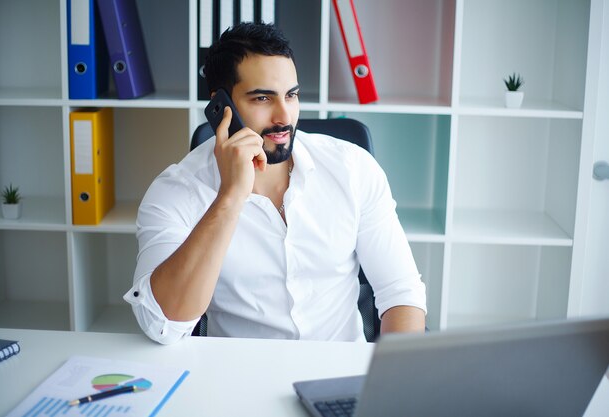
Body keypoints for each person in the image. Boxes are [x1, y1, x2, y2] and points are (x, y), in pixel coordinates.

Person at [124, 22, 426, 344]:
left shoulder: (353, 169)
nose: (284, 116)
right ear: (219, 106)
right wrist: (229, 196)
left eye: (291, 95)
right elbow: (162, 325)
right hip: (240, 380)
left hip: (340, 376)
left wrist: (388, 384)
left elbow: (401, 293)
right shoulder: (178, 191)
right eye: (263, 98)